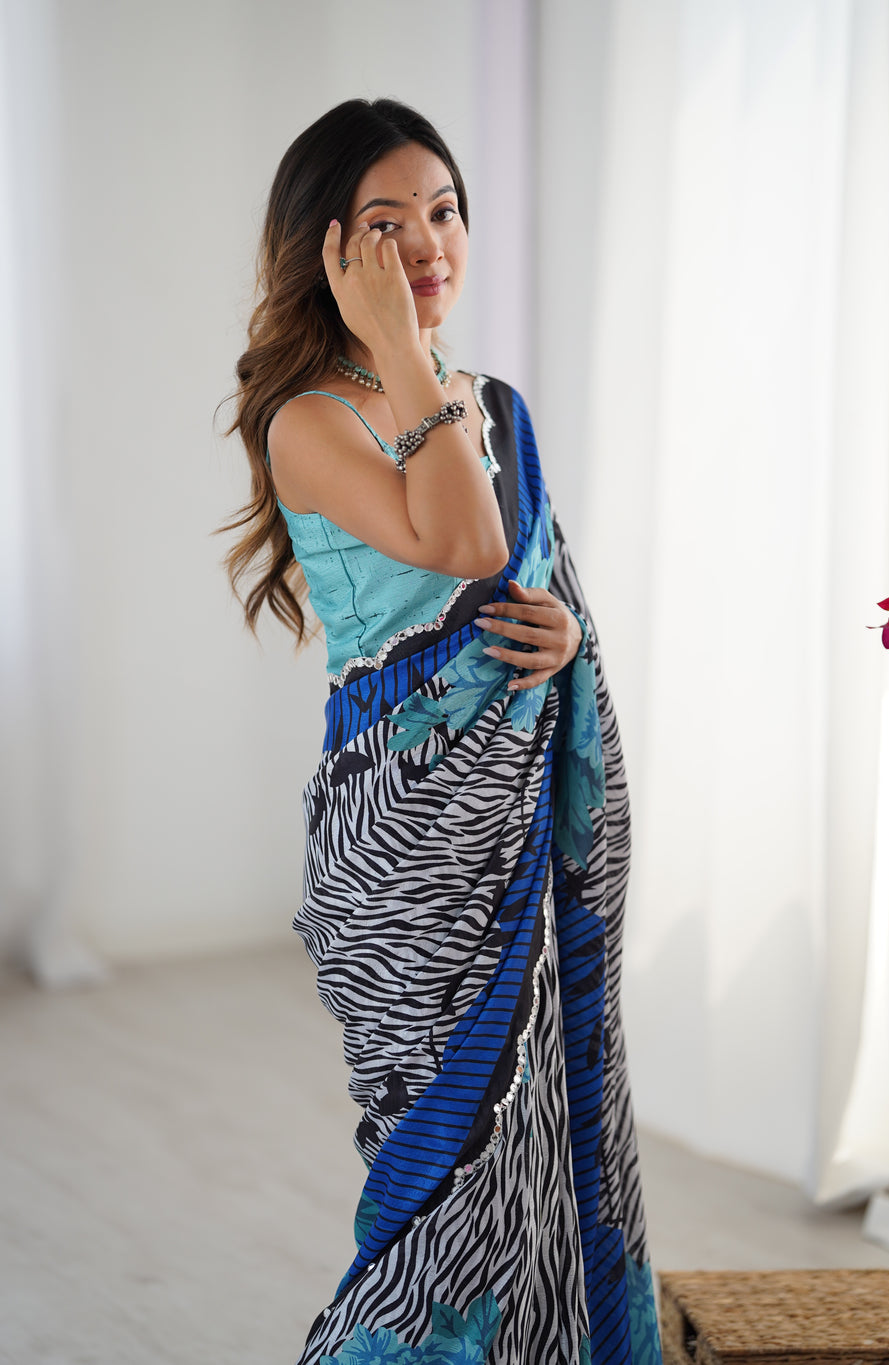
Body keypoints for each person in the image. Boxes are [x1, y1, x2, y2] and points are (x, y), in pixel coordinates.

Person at [220, 98, 663, 1365]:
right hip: (404, 841)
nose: (427, 244)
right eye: (385, 225)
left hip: (519, 815)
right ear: (328, 252)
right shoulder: (307, 417)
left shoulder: (495, 406)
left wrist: (568, 639)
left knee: (544, 1138)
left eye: (445, 210)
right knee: (447, 1167)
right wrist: (402, 351)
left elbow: (526, 572)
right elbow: (458, 543)